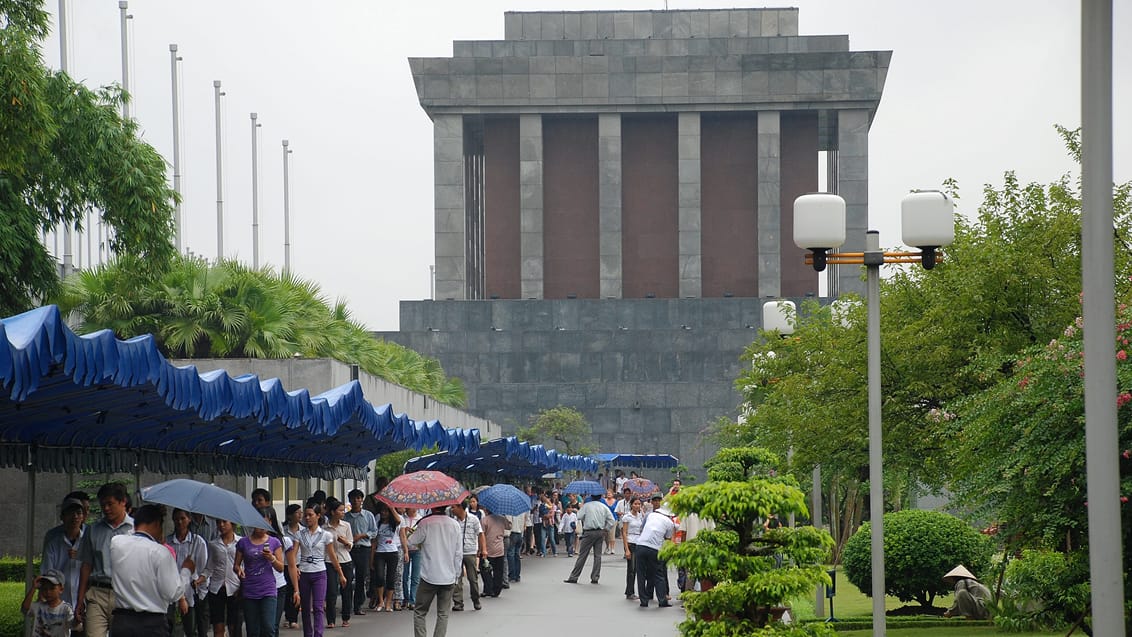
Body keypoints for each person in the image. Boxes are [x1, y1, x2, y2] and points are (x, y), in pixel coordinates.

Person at [108, 504, 189, 637]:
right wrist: (186, 571)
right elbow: (172, 593)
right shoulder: (161, 553)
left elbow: (129, 536)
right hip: (152, 624)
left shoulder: (117, 544)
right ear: (157, 524)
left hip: (122, 621)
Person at [75, 482, 134, 637]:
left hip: (124, 595)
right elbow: (86, 565)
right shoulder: (93, 530)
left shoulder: (135, 530)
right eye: (103, 505)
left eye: (110, 504)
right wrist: (80, 599)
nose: (106, 508)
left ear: (123, 502)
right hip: (97, 594)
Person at [406, 505, 463, 637]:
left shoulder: (425, 522)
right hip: (448, 576)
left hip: (429, 576)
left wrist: (410, 531)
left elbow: (411, 542)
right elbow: (458, 553)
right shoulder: (455, 525)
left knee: (420, 612)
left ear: (432, 507)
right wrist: (456, 575)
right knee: (443, 614)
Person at [295, 502, 346, 637]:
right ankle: (308, 634)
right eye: (305, 515)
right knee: (305, 608)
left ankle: (318, 634)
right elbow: (293, 554)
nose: (307, 518)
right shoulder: (299, 535)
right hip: (304, 573)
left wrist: (340, 573)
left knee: (318, 607)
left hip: (319, 573)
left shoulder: (325, 535)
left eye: (310, 515)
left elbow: (332, 556)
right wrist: (295, 567)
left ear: (318, 516)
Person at [233, 511, 284, 637]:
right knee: (252, 629)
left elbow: (281, 568)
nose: (261, 527)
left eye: (264, 523)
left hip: (268, 589)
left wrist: (271, 558)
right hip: (250, 589)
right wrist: (239, 570)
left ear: (270, 523)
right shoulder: (243, 542)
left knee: (268, 627)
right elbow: (236, 565)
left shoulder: (274, 542)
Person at [167, 508, 209, 637]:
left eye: (183, 518)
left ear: (189, 519)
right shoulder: (168, 542)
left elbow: (204, 569)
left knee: (191, 630)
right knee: (169, 628)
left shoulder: (198, 542)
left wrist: (200, 589)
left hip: (191, 592)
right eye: (176, 519)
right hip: (171, 592)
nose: (179, 522)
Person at [41, 497, 86, 613]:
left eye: (78, 513)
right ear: (62, 517)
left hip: (84, 601)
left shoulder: (88, 541)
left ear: (83, 517)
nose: (75, 516)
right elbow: (47, 573)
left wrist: (81, 556)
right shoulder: (54, 544)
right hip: (59, 602)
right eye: (70, 513)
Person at [563, 493, 615, 585]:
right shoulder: (604, 507)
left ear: (591, 497)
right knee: (597, 556)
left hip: (589, 532)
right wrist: (606, 529)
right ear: (600, 497)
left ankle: (574, 577)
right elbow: (611, 520)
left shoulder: (586, 506)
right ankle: (595, 577)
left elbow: (579, 516)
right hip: (600, 532)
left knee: (582, 555)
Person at [206, 519, 243, 637]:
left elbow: (245, 565)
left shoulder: (241, 542)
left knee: (234, 627)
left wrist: (243, 585)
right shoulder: (213, 544)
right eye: (218, 522)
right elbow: (210, 566)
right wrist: (201, 579)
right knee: (218, 627)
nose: (221, 525)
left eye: (224, 522)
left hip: (235, 587)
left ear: (232, 523)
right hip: (217, 588)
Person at [321, 497, 354, 628]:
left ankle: (346, 617)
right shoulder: (324, 528)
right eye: (340, 510)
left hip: (345, 560)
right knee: (331, 591)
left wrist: (346, 542)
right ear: (333, 512)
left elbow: (351, 543)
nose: (343, 512)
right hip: (329, 562)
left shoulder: (346, 526)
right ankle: (331, 620)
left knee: (346, 590)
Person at [635, 504, 676, 608]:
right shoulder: (669, 523)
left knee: (641, 574)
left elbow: (643, 529)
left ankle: (644, 601)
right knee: (658, 574)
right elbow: (667, 538)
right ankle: (662, 600)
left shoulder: (651, 515)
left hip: (640, 545)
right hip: (655, 548)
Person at [344, 488, 377, 617]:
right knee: (348, 577)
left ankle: (358, 605)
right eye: (353, 498)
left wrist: (363, 535)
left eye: (358, 498)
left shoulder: (368, 515)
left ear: (362, 500)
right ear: (350, 500)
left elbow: (374, 531)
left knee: (361, 578)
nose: (356, 501)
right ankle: (347, 606)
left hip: (364, 549)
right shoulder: (346, 517)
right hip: (349, 549)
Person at [371, 502, 406, 613]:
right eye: (382, 511)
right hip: (380, 552)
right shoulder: (378, 522)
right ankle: (381, 601)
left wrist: (391, 508)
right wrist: (371, 558)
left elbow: (399, 521)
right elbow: (374, 540)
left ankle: (388, 603)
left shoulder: (394, 523)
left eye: (386, 511)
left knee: (391, 578)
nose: (383, 513)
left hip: (392, 552)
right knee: (380, 577)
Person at [450, 499, 485, 611]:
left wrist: (483, 549)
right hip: (456, 553)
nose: (452, 509)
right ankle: (458, 602)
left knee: (472, 578)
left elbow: (480, 534)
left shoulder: (473, 519)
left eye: (454, 507)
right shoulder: (453, 521)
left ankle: (476, 599)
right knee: (457, 578)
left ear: (460, 507)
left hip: (470, 552)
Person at [22, 569, 74, 637]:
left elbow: (73, 624)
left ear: (61, 589)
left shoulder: (66, 608)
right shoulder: (39, 606)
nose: (48, 592)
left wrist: (77, 620)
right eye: (45, 588)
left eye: (52, 588)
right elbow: (25, 608)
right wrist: (33, 588)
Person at [281, 504, 303, 629]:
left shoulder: (304, 530)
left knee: (296, 591)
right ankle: (287, 616)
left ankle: (293, 618)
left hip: (299, 564)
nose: (300, 515)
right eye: (297, 512)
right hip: (284, 564)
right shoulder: (283, 531)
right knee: (287, 591)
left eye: (301, 512)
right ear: (289, 515)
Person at [479, 508, 509, 597]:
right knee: (498, 570)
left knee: (485, 570)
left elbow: (481, 535)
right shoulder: (502, 519)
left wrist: (480, 549)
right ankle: (496, 590)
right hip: (500, 549)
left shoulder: (484, 520)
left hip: (487, 549)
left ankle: (488, 588)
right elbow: (509, 526)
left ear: (487, 510)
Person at [621, 496, 646, 600]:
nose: (637, 506)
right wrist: (626, 549)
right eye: (635, 504)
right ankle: (629, 591)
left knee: (637, 568)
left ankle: (634, 591)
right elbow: (624, 532)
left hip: (639, 542)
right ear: (631, 505)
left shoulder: (640, 516)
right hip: (631, 542)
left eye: (639, 504)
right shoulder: (627, 517)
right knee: (631, 568)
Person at [504, 508, 527, 584]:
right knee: (517, 554)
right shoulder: (522, 511)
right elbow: (524, 522)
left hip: (513, 533)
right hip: (520, 533)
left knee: (510, 554)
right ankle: (517, 575)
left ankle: (512, 575)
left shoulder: (509, 511)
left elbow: (509, 523)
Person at [602, 490, 619, 555]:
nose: (608, 494)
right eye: (607, 493)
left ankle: (612, 548)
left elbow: (617, 509)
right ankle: (607, 547)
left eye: (610, 493)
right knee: (606, 534)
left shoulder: (616, 501)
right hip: (605, 519)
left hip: (614, 519)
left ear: (612, 494)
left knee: (612, 533)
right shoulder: (603, 501)